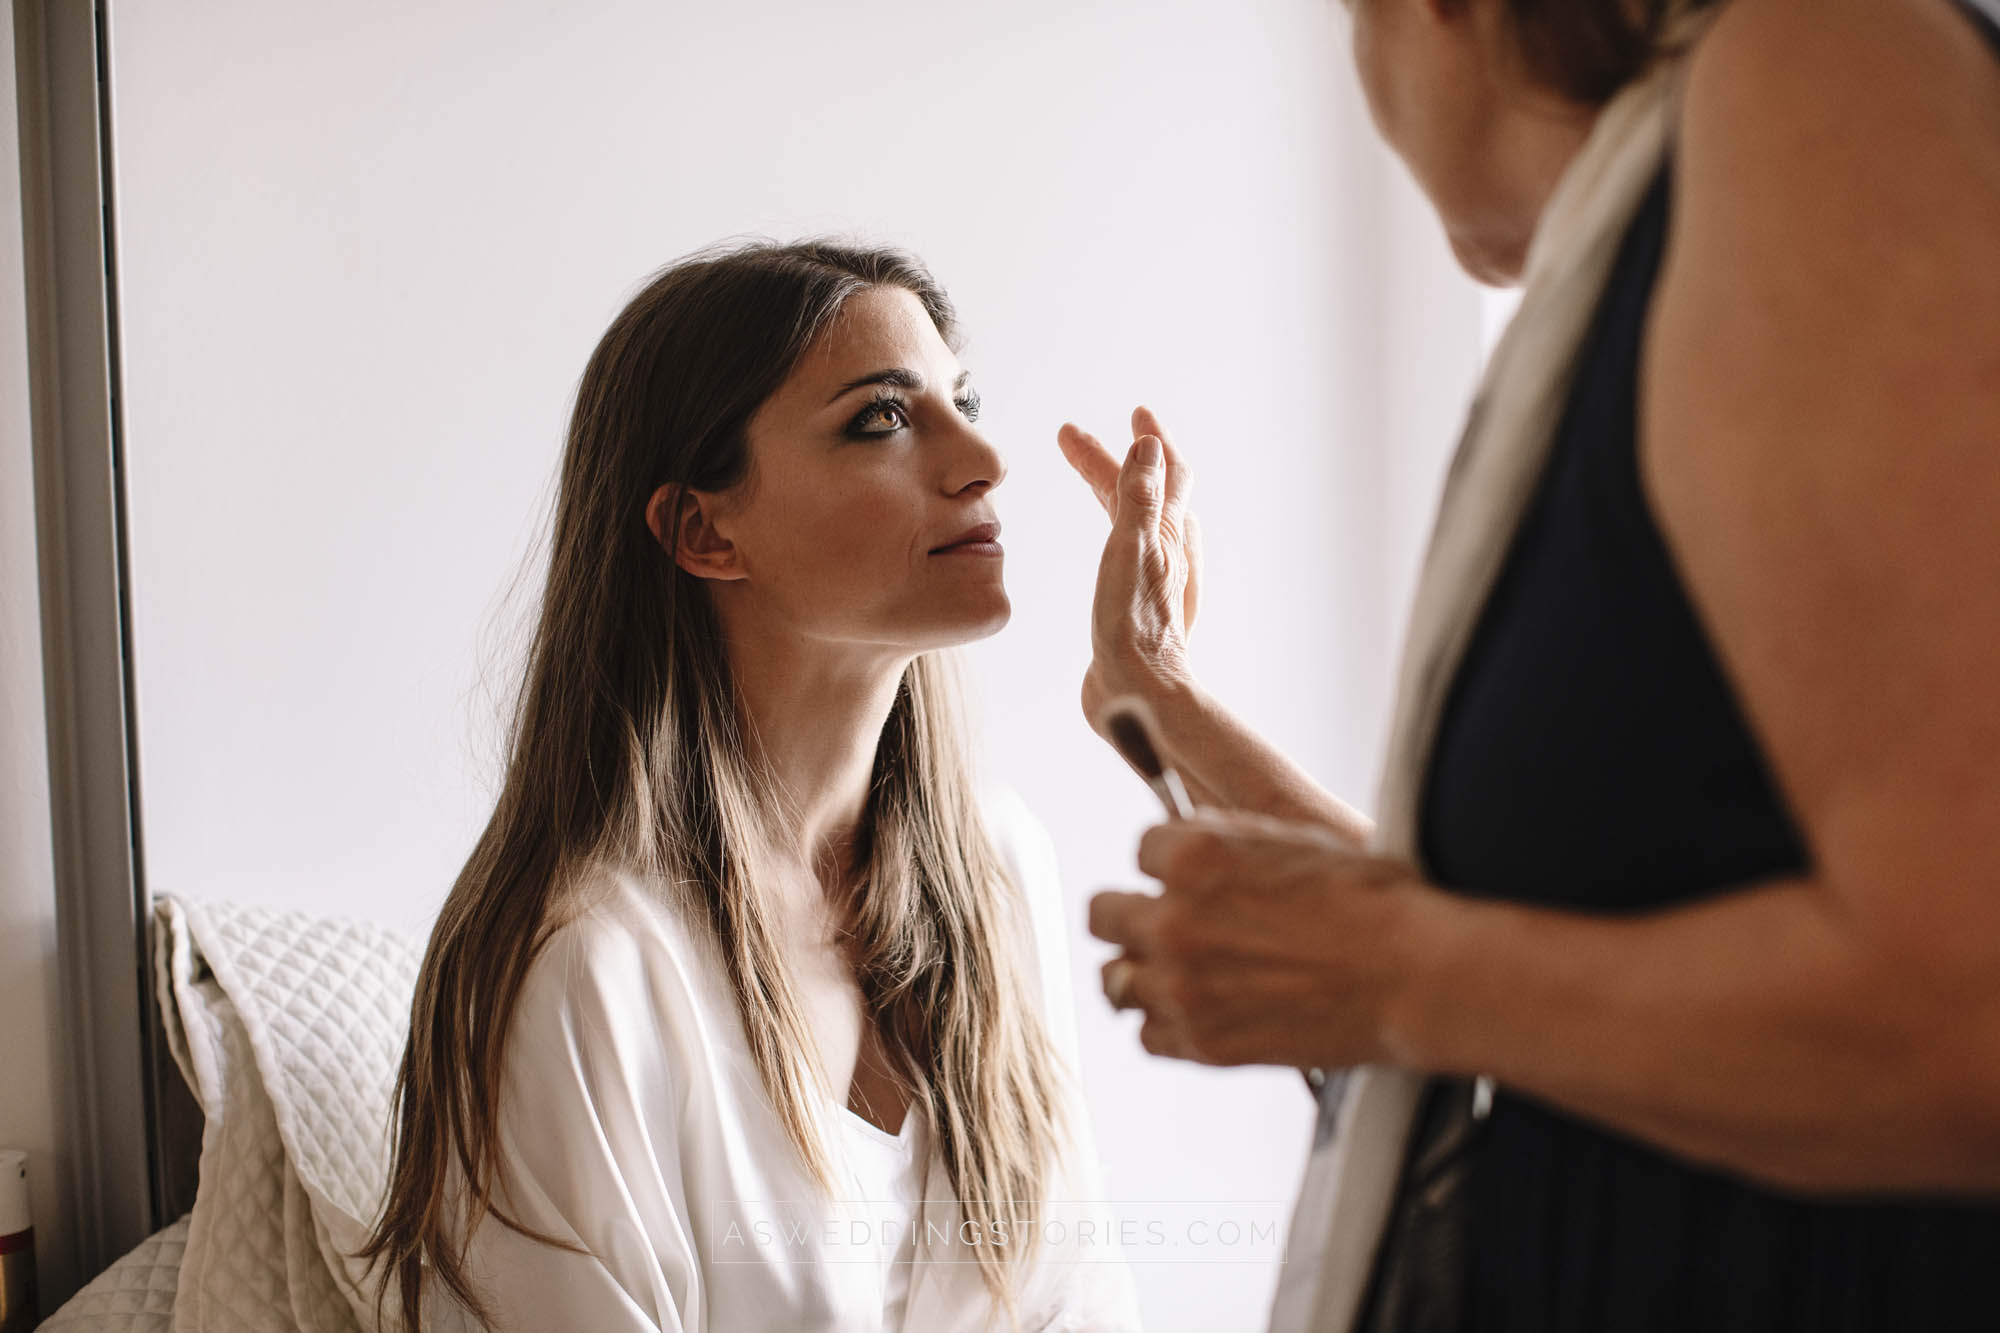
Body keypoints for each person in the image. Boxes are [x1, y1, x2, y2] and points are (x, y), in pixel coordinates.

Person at [1064, 0, 2000, 1329]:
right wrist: (1158, 695)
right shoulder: (1686, 220)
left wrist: (1394, 979)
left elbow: (1966, 1006)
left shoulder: (1812, 71)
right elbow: (1562, 941)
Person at [358, 241, 1139, 1332]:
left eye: (965, 399)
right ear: (702, 529)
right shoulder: (586, 967)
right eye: (882, 419)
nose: (982, 459)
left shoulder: (999, 867)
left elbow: (1079, 1303)